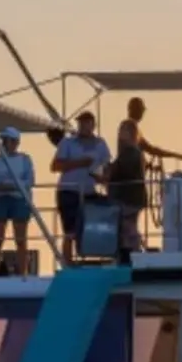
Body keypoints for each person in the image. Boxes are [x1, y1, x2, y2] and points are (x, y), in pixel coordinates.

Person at [51, 110, 110, 263]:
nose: (83, 126)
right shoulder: (68, 142)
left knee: (91, 226)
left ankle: (90, 257)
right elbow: (55, 166)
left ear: (93, 124)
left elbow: (107, 167)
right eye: (81, 123)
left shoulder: (101, 144)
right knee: (69, 231)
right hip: (69, 190)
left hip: (90, 190)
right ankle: (68, 263)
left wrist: (105, 180)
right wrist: (80, 163)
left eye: (86, 123)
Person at [0, 127, 35, 277]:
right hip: (0, 199)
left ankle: (23, 274)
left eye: (8, 140)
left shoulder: (25, 160)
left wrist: (13, 185)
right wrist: (1, 185)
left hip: (19, 199)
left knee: (20, 239)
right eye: (4, 140)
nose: (5, 143)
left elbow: (30, 180)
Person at [108, 119, 147, 264]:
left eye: (123, 130)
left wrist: (108, 173)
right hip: (129, 197)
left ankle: (134, 253)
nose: (119, 133)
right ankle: (128, 254)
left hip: (129, 197)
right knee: (125, 228)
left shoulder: (132, 152)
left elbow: (123, 170)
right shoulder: (129, 153)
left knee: (128, 227)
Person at [125, 97, 182, 163]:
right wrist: (177, 156)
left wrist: (176, 155)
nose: (142, 114)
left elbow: (150, 149)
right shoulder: (132, 127)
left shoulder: (127, 126)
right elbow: (149, 150)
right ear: (137, 111)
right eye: (141, 111)